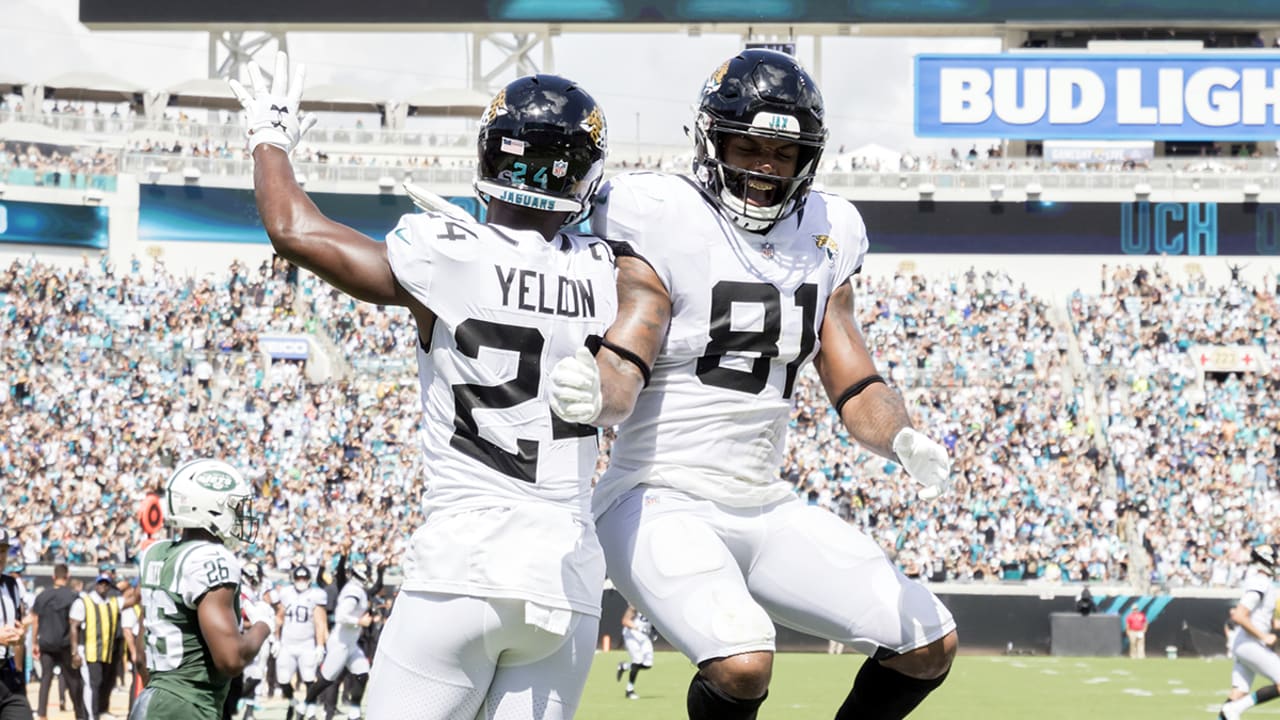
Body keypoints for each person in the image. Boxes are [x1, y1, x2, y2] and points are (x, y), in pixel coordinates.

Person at [548, 48, 957, 720]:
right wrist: (598, 396)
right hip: (658, 495)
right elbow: (629, 353)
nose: (767, 167)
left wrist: (902, 435)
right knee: (743, 663)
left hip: (764, 503)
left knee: (928, 639)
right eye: (749, 145)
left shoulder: (830, 228)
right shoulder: (656, 209)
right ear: (713, 141)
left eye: (783, 153)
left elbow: (855, 382)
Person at [229, 52, 616, 720]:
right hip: (565, 576)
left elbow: (292, 229)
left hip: (461, 566)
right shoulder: (611, 275)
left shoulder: (446, 251)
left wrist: (270, 140)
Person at [130, 459, 276, 720]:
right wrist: (264, 624)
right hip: (187, 708)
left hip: (151, 701)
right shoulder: (211, 558)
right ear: (211, 508)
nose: (241, 515)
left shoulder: (156, 554)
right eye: (234, 506)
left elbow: (141, 659)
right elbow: (231, 660)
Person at [301, 560, 382, 720]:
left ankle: (354, 713)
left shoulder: (356, 589)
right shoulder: (354, 591)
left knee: (362, 674)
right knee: (325, 681)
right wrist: (359, 621)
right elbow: (340, 616)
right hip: (341, 643)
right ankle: (303, 707)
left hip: (350, 643)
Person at [1220, 545, 1280, 720]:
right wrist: (1263, 636)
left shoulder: (1264, 582)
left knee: (1238, 693)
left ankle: (1230, 711)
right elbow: (1239, 615)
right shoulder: (1261, 582)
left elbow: (1265, 619)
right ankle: (1235, 710)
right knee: (1235, 706)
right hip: (1250, 644)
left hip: (1246, 643)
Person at [29, 563, 86, 720]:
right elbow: (75, 621)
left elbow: (35, 620)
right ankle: (80, 714)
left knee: (45, 679)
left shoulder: (42, 596)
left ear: (53, 577)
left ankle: (41, 713)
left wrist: (34, 642)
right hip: (65, 644)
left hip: (46, 643)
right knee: (73, 680)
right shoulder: (72, 596)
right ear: (67, 577)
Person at [274, 565, 327, 720]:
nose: (301, 581)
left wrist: (320, 645)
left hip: (307, 644)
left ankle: (310, 711)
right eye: (298, 578)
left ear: (309, 579)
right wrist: (276, 639)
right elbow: (279, 617)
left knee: (309, 679)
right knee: (283, 680)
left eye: (304, 578)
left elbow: (320, 622)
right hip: (287, 643)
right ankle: (293, 702)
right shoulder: (286, 593)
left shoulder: (316, 595)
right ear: (293, 579)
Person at [70, 574, 122, 720]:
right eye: (101, 583)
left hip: (105, 651)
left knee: (102, 684)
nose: (103, 586)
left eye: (106, 584)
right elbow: (74, 627)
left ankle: (96, 712)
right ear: (96, 584)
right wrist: (75, 652)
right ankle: (90, 716)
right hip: (88, 651)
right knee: (92, 685)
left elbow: (131, 600)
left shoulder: (111, 602)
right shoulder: (84, 602)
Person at [0, 528, 32, 720]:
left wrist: (20, 635)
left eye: (3, 551)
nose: (0, 557)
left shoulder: (11, 585)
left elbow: (20, 623)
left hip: (8, 675)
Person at [616, 605, 654, 700]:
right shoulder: (635, 605)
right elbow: (625, 621)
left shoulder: (654, 606)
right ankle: (629, 690)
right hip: (632, 634)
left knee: (648, 664)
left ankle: (624, 666)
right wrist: (639, 628)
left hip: (644, 636)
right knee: (637, 660)